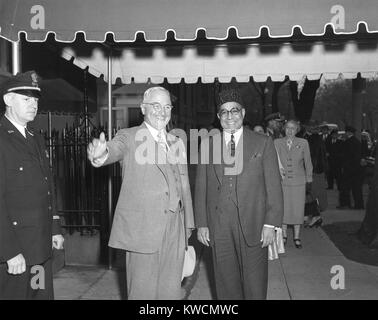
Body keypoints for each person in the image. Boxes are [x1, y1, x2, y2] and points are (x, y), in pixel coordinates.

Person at [87, 86, 194, 300]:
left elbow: (183, 184)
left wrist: (188, 224)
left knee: (171, 292)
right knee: (142, 293)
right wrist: (100, 155)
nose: (162, 112)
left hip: (175, 229)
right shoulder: (129, 136)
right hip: (143, 230)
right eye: (155, 106)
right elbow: (114, 149)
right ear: (143, 108)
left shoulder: (176, 142)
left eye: (166, 107)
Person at [195, 89, 283, 300]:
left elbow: (273, 187)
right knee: (225, 284)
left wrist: (271, 224)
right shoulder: (208, 145)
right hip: (220, 225)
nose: (229, 116)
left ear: (243, 113)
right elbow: (201, 187)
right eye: (224, 112)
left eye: (234, 110)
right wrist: (202, 224)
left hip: (254, 223)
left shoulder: (262, 142)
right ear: (218, 117)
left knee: (255, 285)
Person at [0, 71, 64, 300]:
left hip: (40, 249)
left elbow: (47, 185)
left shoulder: (35, 137)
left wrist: (54, 229)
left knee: (40, 296)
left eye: (35, 100)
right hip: (16, 253)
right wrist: (9, 251)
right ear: (8, 100)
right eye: (26, 99)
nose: (33, 105)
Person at [274, 120, 313, 249]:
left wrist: (309, 179)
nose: (290, 131)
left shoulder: (303, 143)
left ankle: (297, 236)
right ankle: (284, 235)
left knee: (297, 210)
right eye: (288, 128)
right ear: (284, 129)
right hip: (282, 182)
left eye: (293, 128)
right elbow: (273, 161)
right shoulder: (277, 143)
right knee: (284, 210)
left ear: (297, 130)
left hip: (299, 183)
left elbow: (308, 162)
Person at [338, 126, 364, 210]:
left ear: (348, 132)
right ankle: (359, 205)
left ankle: (345, 204)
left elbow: (345, 155)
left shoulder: (347, 142)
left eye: (346, 132)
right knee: (356, 188)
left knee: (345, 187)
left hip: (348, 168)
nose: (345, 133)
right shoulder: (357, 142)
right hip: (357, 168)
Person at [306, 128, 328, 227]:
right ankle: (314, 216)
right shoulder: (320, 141)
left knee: (311, 194)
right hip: (320, 171)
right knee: (315, 194)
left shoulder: (310, 141)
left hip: (313, 171)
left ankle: (315, 216)